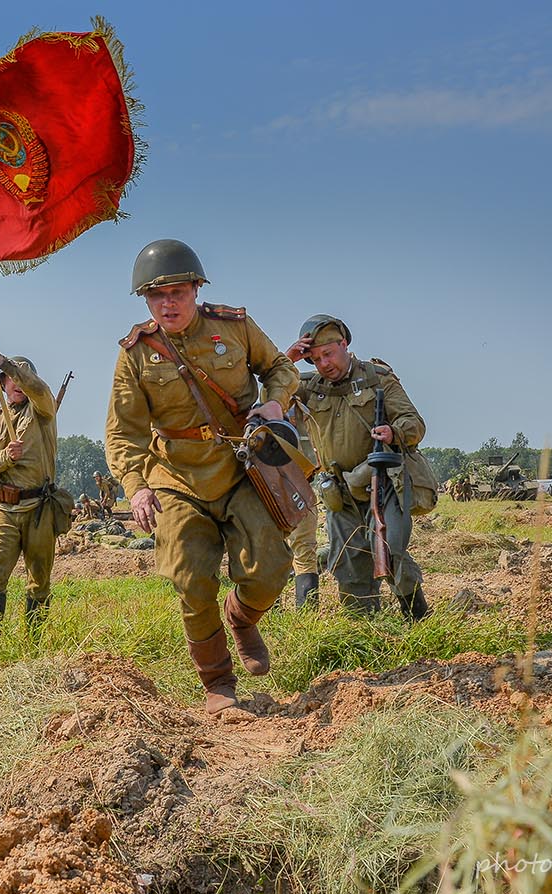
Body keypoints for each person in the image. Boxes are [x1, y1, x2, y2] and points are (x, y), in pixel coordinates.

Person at [105, 239, 299, 714]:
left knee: (271, 569)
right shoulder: (136, 352)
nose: (167, 304)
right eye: (156, 297)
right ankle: (218, 683)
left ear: (196, 289)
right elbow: (122, 430)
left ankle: (242, 616)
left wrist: (274, 401)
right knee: (191, 578)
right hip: (174, 475)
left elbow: (280, 368)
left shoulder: (233, 327)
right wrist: (138, 487)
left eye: (176, 292)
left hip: (240, 467)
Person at [287, 314, 431, 619]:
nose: (323, 364)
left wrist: (395, 432)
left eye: (328, 354)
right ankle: (364, 631)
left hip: (383, 482)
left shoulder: (377, 378)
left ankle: (418, 619)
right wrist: (288, 359)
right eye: (314, 359)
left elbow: (415, 423)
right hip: (340, 493)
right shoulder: (309, 386)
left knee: (390, 552)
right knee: (349, 567)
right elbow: (271, 394)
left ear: (344, 344)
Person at [0, 337, 60, 640]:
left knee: (39, 581)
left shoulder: (43, 411)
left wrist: (2, 360)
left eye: (22, 377)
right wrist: (4, 457)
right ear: (3, 384)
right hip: (2, 509)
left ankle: (33, 645)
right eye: (11, 378)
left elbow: (39, 389)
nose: (17, 383)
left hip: (38, 508)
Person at [285, 395, 322, 608]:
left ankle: (304, 613)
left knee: (302, 551)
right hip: (297, 487)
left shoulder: (263, 407)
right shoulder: (309, 412)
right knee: (304, 551)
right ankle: (306, 614)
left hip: (293, 487)